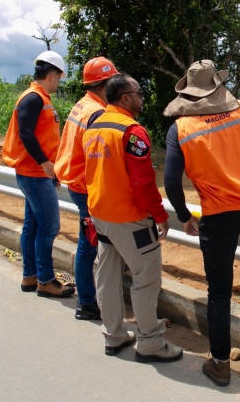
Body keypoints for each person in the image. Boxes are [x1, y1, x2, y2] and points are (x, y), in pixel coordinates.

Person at [163, 59, 240, 387]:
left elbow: (172, 182)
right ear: (218, 86)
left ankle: (220, 364)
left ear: (188, 93)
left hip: (218, 214)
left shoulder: (180, 129)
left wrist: (184, 215)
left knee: (219, 293)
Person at [82, 73, 183, 363]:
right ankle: (150, 342)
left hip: (100, 213)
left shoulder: (94, 126)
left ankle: (114, 336)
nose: (142, 97)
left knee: (108, 275)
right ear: (125, 98)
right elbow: (143, 182)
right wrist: (160, 215)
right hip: (129, 219)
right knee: (147, 278)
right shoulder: (132, 132)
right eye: (139, 93)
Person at [2, 50, 74, 298]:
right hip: (34, 173)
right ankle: (45, 279)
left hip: (34, 172)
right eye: (59, 78)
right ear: (52, 75)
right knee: (49, 227)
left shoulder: (40, 97)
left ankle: (30, 276)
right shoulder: (33, 98)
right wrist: (45, 164)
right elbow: (26, 133)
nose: (58, 83)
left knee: (32, 226)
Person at [54, 56, 119, 320]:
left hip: (77, 182)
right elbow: (97, 156)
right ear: (105, 83)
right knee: (90, 243)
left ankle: (89, 299)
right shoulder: (97, 112)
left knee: (90, 241)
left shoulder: (83, 104)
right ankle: (88, 303)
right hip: (86, 186)